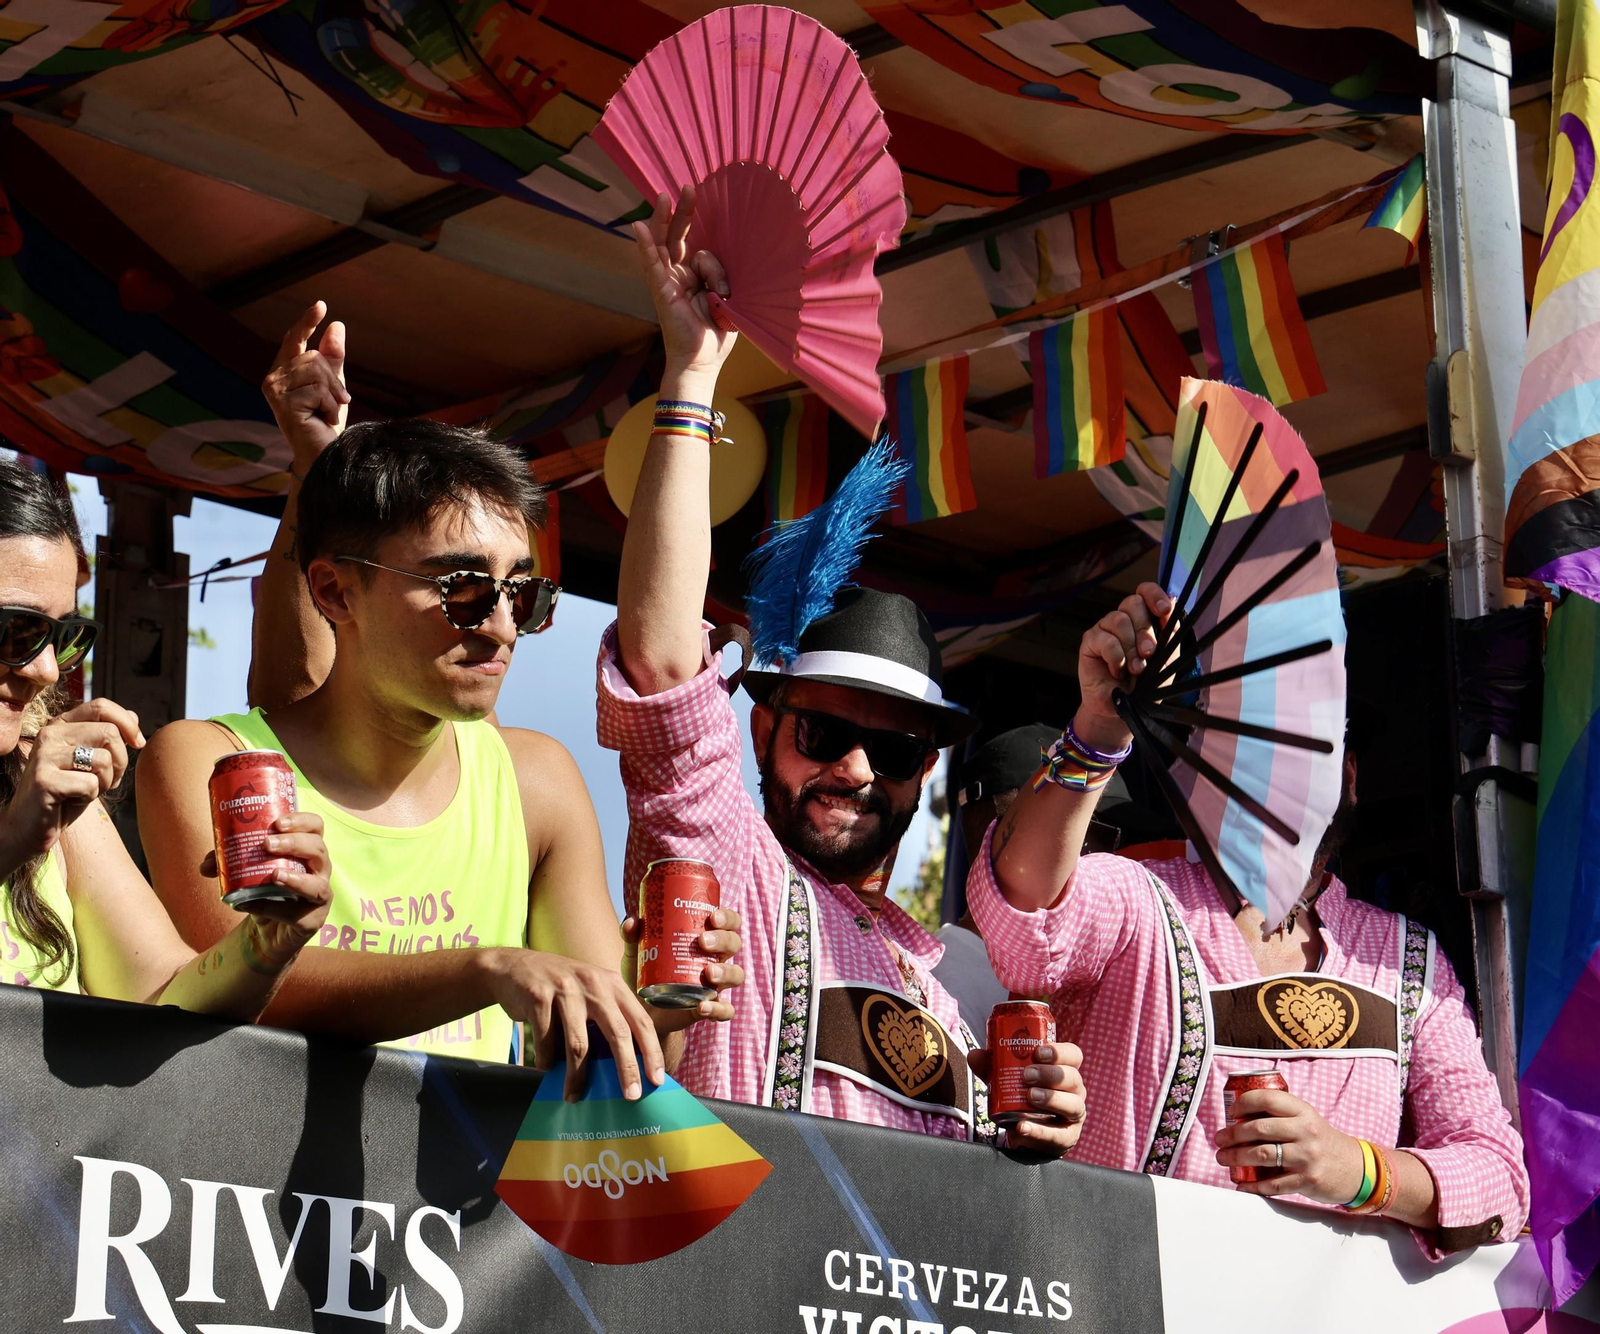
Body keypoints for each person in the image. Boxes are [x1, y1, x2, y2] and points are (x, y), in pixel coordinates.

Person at [136, 309, 742, 1098]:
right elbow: (235, 991)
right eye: (459, 590)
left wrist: (661, 1007)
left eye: (523, 596)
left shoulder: (537, 782)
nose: (499, 627)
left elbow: (593, 1050)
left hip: (458, 1219)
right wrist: (489, 969)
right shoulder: (213, 764)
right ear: (334, 591)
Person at [598, 187, 1086, 1150]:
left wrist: (1028, 1142)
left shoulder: (934, 980)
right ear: (762, 727)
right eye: (826, 734)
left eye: (896, 750)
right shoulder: (729, 864)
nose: (859, 770)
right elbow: (660, 660)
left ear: (926, 771)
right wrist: (692, 379)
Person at [971, 582, 1530, 1252]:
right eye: (1257, 738)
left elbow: (1500, 1182)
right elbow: (1024, 911)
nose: (1292, 762)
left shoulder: (1407, 959)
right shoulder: (1140, 902)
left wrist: (1353, 1168)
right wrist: (1096, 730)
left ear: (1350, 771)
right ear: (1209, 767)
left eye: (1317, 739)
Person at [0, 457, 331, 1013]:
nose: (48, 671)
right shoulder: (26, 820)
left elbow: (160, 994)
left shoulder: (38, 789)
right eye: (18, 630)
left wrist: (269, 941)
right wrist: (10, 843)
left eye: (66, 637)